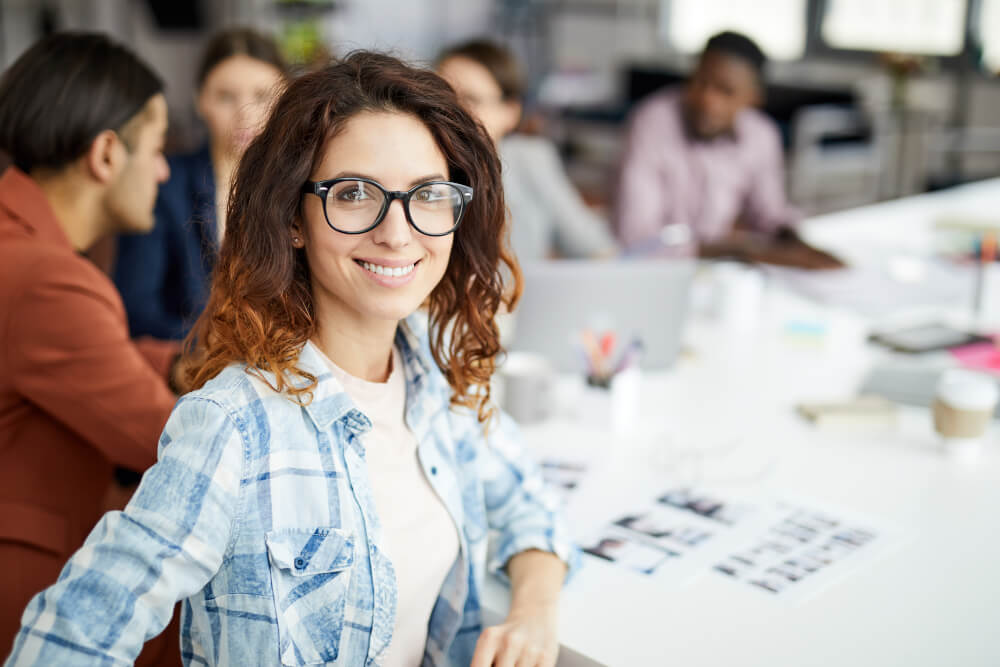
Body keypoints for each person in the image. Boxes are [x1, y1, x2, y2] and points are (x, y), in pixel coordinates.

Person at [8, 52, 576, 667]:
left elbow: (530, 503)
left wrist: (532, 614)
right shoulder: (233, 423)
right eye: (355, 193)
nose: (398, 232)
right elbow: (72, 636)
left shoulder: (436, 383)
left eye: (428, 194)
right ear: (294, 218)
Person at [0, 32, 182, 664]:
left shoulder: (23, 253)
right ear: (107, 154)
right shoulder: (49, 279)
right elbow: (167, 441)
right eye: (158, 149)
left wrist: (179, 362)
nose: (163, 170)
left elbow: (82, 361)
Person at [113, 28, 287, 340]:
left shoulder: (302, 187)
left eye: (262, 96)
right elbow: (136, 312)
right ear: (200, 101)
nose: (244, 114)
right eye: (226, 97)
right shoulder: (162, 186)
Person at [615, 31, 842, 269]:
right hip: (647, 270)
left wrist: (790, 239)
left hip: (712, 272)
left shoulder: (761, 136)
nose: (707, 100)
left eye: (725, 91)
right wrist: (738, 248)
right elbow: (638, 240)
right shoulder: (651, 123)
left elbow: (769, 213)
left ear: (753, 98)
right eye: (701, 82)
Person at [437, 39, 617, 262]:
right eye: (442, 97)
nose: (452, 112)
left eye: (471, 100)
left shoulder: (531, 159)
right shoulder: (417, 167)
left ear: (511, 112)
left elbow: (592, 245)